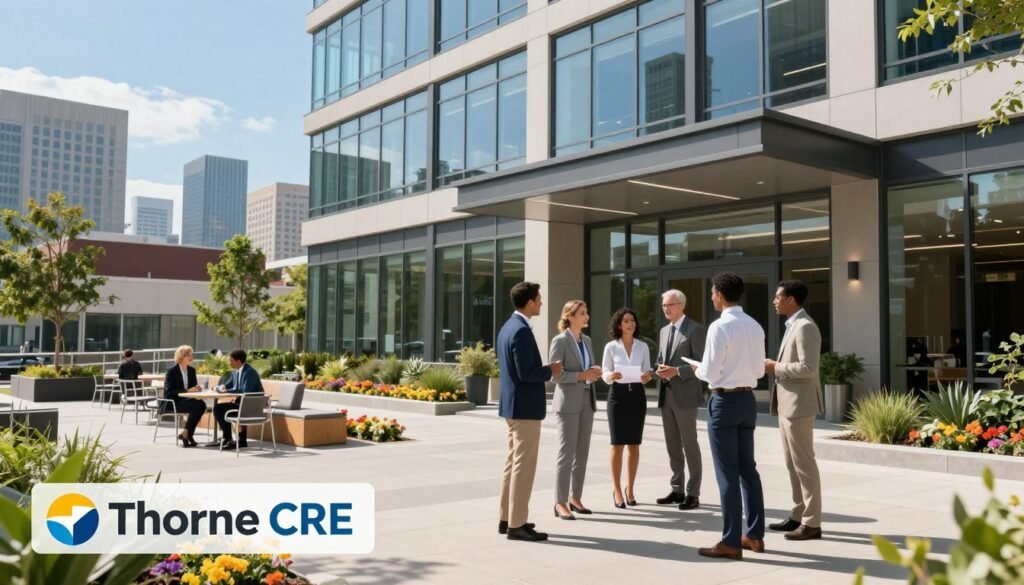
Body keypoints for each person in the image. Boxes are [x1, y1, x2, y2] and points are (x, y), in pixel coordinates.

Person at [691, 272, 766, 560]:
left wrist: (698, 368)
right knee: (749, 469)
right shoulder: (755, 326)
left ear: (720, 295)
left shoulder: (719, 327)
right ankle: (755, 535)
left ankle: (731, 541)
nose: (711, 297)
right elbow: (760, 371)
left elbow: (708, 372)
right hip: (748, 400)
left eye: (712, 293)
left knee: (727, 474)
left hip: (724, 401)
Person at [496, 282, 562, 542]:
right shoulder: (521, 331)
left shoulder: (507, 327)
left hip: (513, 406)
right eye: (539, 299)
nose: (542, 303)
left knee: (512, 464)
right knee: (523, 467)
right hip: (524, 409)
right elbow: (527, 373)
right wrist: (551, 370)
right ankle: (517, 524)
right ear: (531, 302)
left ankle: (507, 518)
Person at [764, 280, 824, 541]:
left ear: (792, 300)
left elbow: (808, 368)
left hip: (800, 406)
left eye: (778, 297)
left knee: (804, 464)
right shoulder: (794, 325)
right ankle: (798, 514)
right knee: (792, 464)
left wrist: (775, 368)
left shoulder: (805, 326)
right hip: (788, 405)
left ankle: (812, 523)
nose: (775, 301)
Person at [549, 300, 602, 520]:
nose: (586, 316)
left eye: (586, 312)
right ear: (570, 316)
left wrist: (594, 372)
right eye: (582, 313)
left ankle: (575, 498)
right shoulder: (560, 341)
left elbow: (586, 368)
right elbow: (555, 374)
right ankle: (560, 502)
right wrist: (581, 376)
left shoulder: (587, 340)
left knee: (582, 453)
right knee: (566, 453)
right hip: (568, 403)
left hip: (587, 400)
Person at [654, 289, 706, 511]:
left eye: (670, 305)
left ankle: (693, 494)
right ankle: (677, 489)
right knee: (672, 445)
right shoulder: (665, 331)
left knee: (689, 445)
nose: (666, 308)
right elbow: (661, 359)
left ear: (681, 306)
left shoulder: (695, 329)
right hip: (666, 395)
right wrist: (656, 370)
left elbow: (702, 365)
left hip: (685, 396)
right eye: (664, 305)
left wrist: (677, 371)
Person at [601, 307, 653, 509]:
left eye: (633, 320)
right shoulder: (611, 347)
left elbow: (647, 371)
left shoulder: (643, 346)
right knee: (617, 444)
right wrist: (610, 376)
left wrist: (648, 376)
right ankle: (616, 489)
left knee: (634, 444)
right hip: (618, 397)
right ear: (619, 325)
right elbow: (605, 371)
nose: (630, 324)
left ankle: (630, 488)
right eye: (626, 321)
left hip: (637, 396)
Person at [213, 349, 265, 451]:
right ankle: (229, 438)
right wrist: (219, 388)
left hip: (252, 407)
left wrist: (227, 391)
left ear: (239, 361)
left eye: (231, 360)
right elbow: (228, 385)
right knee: (218, 409)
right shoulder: (235, 372)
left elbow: (245, 390)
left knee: (219, 410)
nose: (229, 362)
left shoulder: (250, 372)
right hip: (241, 404)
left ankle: (239, 440)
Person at [163, 345, 208, 448]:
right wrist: (188, 391)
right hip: (173, 402)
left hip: (187, 401)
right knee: (198, 405)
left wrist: (197, 389)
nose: (191, 357)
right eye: (188, 355)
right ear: (181, 356)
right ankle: (189, 435)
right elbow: (169, 392)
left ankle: (186, 433)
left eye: (191, 354)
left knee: (201, 404)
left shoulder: (192, 370)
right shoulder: (171, 371)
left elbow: (192, 388)